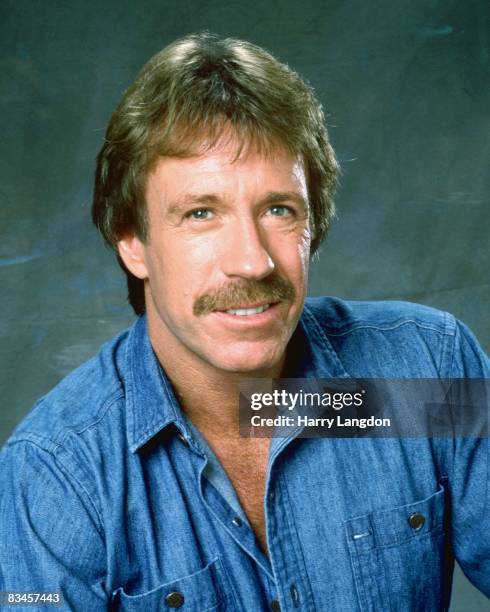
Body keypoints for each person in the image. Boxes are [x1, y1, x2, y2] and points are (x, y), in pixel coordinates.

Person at [0, 32, 488, 612]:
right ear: (132, 241)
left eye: (278, 209)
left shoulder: (422, 375)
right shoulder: (58, 474)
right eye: (201, 213)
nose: (253, 261)